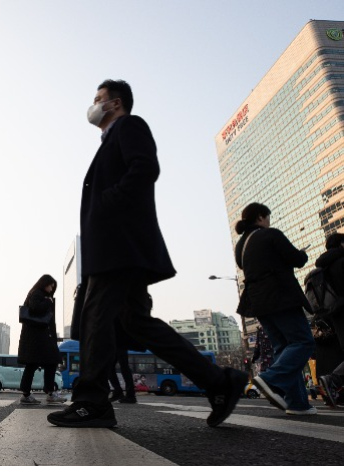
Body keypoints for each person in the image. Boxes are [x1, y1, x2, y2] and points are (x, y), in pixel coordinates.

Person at [48, 79, 247, 429]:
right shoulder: (108, 140)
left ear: (115, 103)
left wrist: (108, 203)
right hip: (119, 246)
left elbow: (145, 168)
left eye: (98, 99)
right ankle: (219, 381)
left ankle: (91, 401)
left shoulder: (129, 125)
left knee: (96, 316)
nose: (92, 105)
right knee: (137, 324)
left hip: (119, 245)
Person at [235, 202, 316, 415]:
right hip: (280, 296)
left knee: (283, 348)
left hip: (258, 303)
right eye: (267, 217)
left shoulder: (241, 246)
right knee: (303, 342)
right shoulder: (269, 234)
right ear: (261, 217)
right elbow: (297, 260)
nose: (269, 221)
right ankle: (269, 380)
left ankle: (297, 403)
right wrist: (302, 254)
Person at [17, 275, 67, 405]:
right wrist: (48, 302)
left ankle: (47, 392)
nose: (52, 288)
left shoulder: (40, 294)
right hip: (37, 338)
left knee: (48, 363)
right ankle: (29, 394)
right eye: (50, 285)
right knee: (35, 364)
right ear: (44, 283)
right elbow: (35, 308)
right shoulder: (37, 293)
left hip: (41, 338)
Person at [313, 232, 344, 407]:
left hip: (332, 316)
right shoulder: (341, 262)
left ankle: (332, 384)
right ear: (341, 244)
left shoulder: (322, 268)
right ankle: (333, 379)